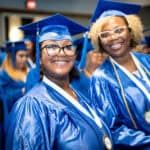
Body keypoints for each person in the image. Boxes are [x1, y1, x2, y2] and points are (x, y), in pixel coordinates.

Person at [6, 14, 113, 150]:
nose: (61, 53)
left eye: (68, 47)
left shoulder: (79, 95)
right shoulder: (31, 106)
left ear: (74, 54)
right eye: (51, 47)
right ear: (39, 56)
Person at [89, 0, 150, 149]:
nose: (113, 38)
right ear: (100, 40)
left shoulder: (148, 61)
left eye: (118, 30)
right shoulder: (101, 79)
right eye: (105, 34)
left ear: (130, 31)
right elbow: (112, 130)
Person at [71, 36, 107, 100]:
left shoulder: (110, 74)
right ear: (84, 55)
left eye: (103, 51)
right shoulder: (73, 76)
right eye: (96, 52)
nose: (101, 55)